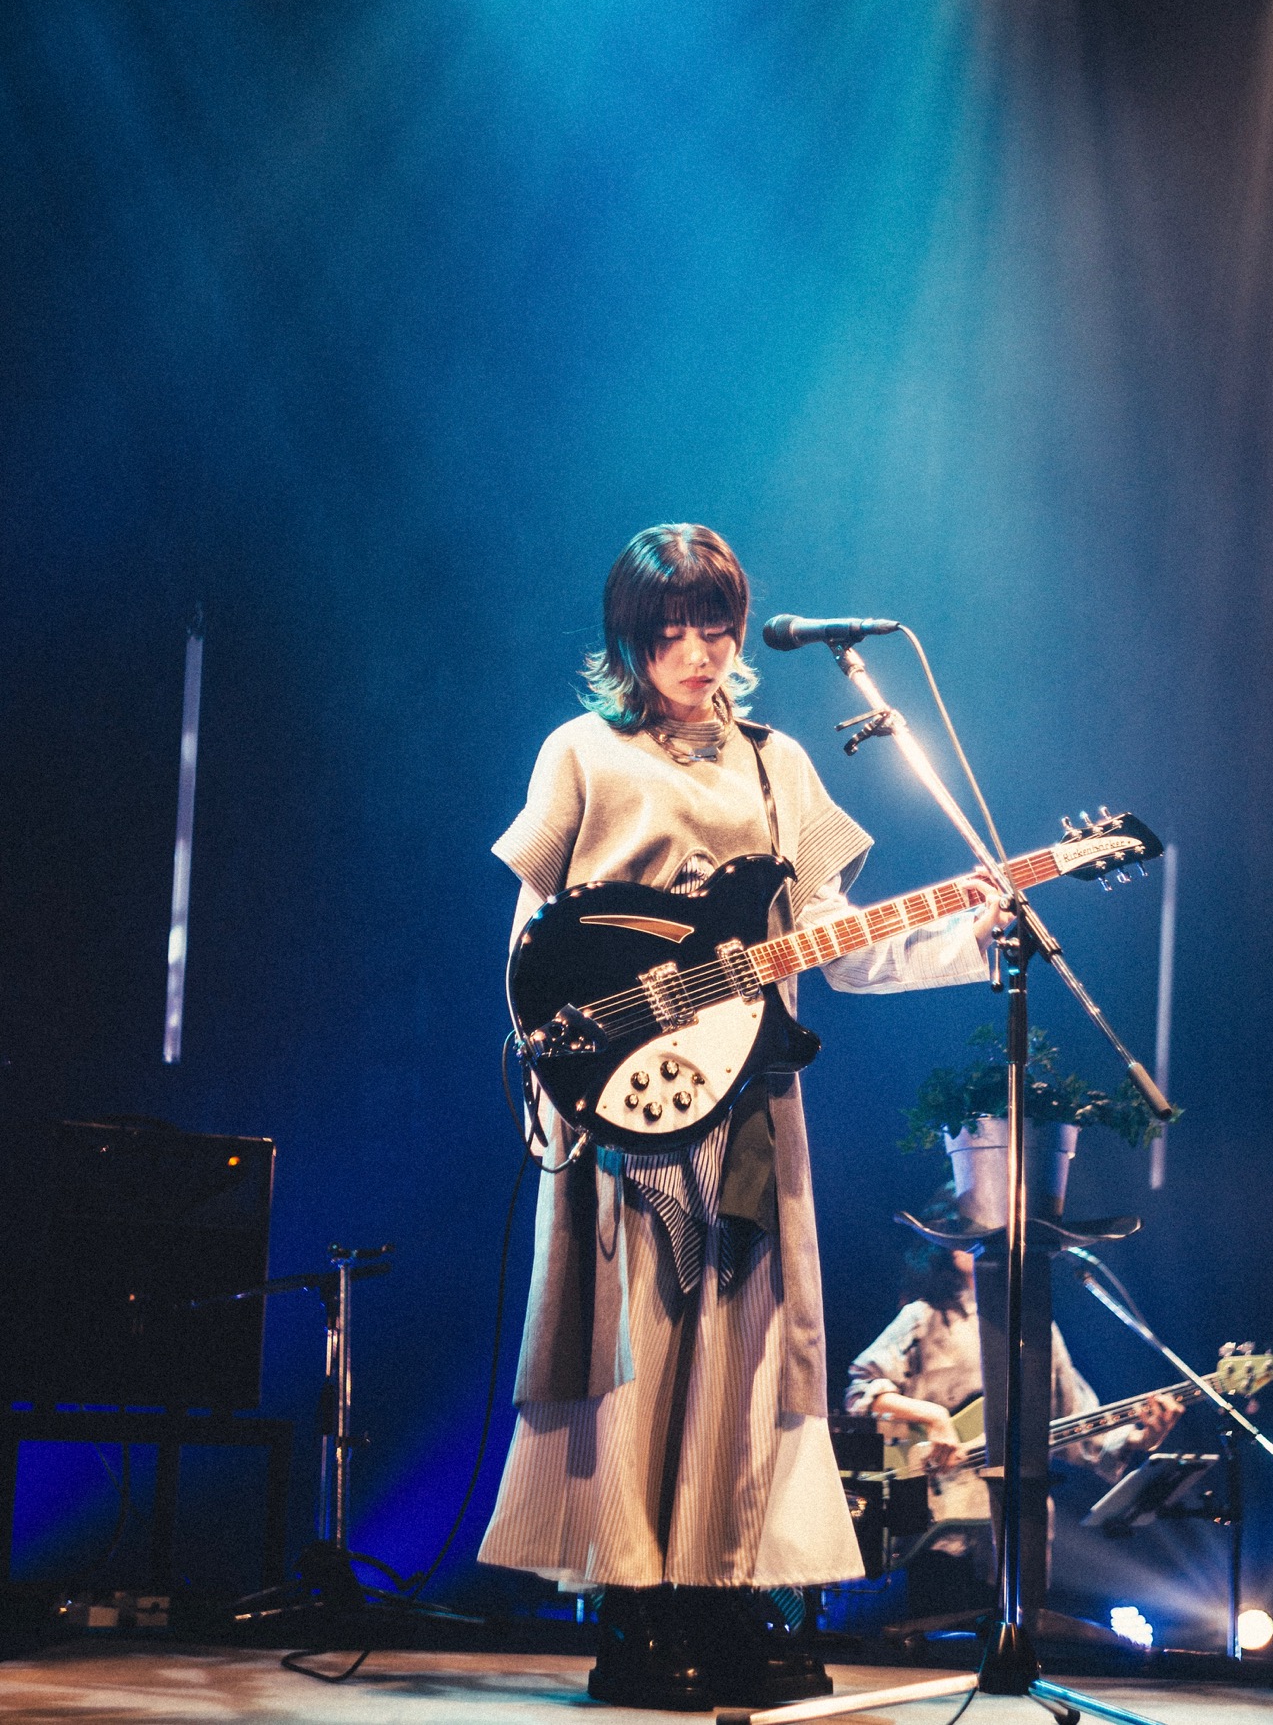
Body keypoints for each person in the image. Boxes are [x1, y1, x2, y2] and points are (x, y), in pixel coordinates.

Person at [478, 524, 1002, 1709]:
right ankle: (635, 1606)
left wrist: (966, 930)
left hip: (751, 1105)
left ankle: (720, 1594)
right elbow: (530, 948)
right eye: (672, 630)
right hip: (626, 1105)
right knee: (637, 1341)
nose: (699, 651)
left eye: (715, 627)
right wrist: (557, 1084)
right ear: (630, 637)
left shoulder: (778, 766)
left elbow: (838, 946)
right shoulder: (581, 752)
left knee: (745, 1345)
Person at [845, 1243, 1185, 1619]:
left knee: (1017, 1635)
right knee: (939, 1635)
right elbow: (862, 1387)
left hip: (1016, 1524)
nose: (974, 1242)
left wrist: (1139, 1438)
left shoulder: (1036, 1327)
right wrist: (935, 1417)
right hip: (933, 1519)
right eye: (964, 1232)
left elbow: (1075, 1420)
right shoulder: (924, 1315)